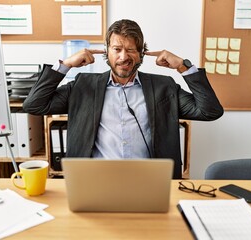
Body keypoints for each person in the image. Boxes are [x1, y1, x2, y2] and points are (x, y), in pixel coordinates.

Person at [23, 19, 224, 179]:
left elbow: (209, 111)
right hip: (94, 179)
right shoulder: (83, 85)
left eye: (130, 50)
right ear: (106, 51)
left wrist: (184, 67)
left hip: (150, 179)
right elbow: (34, 105)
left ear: (141, 53)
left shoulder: (164, 86)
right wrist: (65, 65)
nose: (123, 57)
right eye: (117, 49)